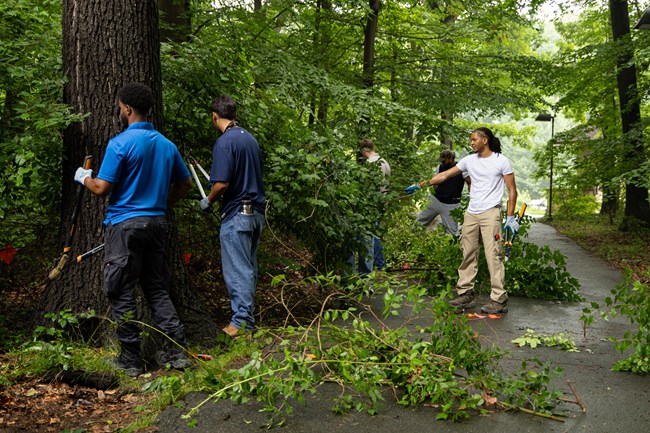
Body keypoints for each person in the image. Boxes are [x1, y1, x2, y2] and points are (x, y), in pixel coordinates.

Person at [74, 83, 193, 376]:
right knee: (155, 287)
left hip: (125, 225)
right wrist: (163, 205)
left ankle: (130, 358)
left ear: (127, 108)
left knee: (120, 288)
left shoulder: (120, 143)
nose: (119, 110)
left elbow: (102, 188)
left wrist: (84, 178)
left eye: (119, 106)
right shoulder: (167, 145)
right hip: (156, 224)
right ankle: (177, 352)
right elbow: (185, 183)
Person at [417, 127, 518, 314]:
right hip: (471, 213)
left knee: (494, 255)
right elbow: (445, 175)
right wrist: (421, 184)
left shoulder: (501, 161)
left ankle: (499, 298)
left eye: (474, 139)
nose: (471, 142)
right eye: (471, 140)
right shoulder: (469, 160)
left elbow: (512, 190)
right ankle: (466, 293)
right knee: (468, 252)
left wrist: (510, 217)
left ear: (485, 140)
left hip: (491, 213)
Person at [199, 95, 265, 338]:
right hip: (256, 213)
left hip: (237, 214)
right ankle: (246, 318)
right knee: (248, 267)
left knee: (238, 270)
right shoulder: (250, 139)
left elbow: (222, 184)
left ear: (215, 116)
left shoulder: (225, 142)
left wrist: (208, 200)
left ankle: (241, 323)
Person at [415, 149, 470, 235]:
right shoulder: (440, 167)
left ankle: (449, 247)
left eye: (444, 161)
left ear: (451, 159)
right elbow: (435, 181)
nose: (442, 163)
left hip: (452, 205)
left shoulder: (461, 169)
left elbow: (469, 182)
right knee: (419, 223)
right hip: (435, 200)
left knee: (451, 233)